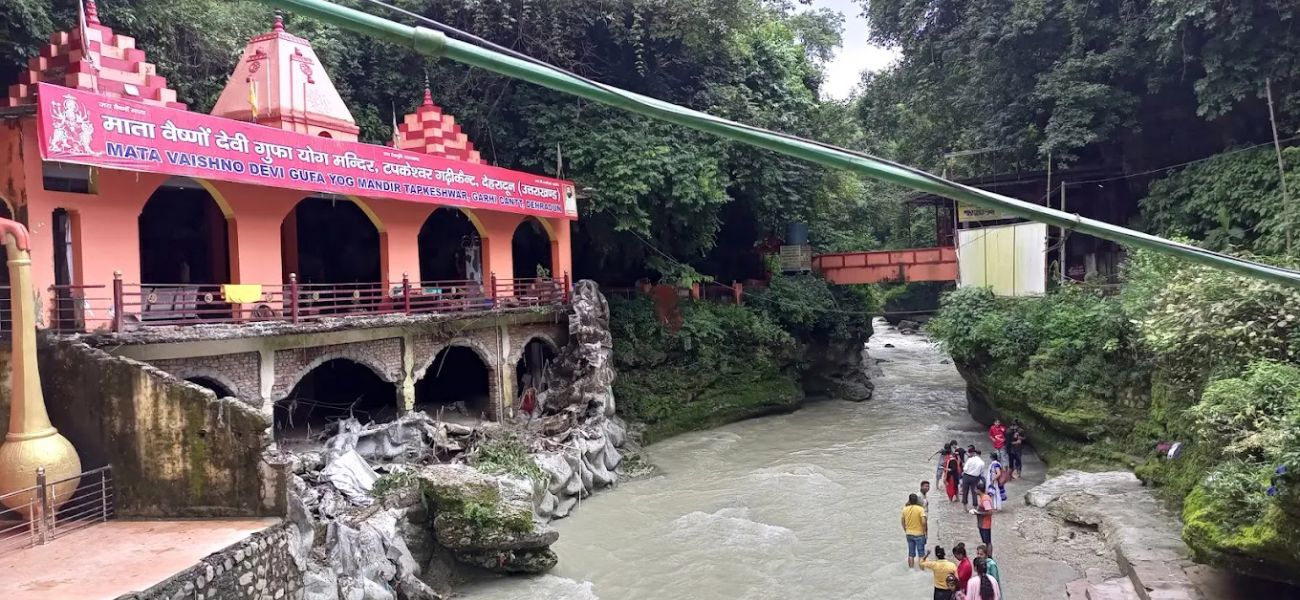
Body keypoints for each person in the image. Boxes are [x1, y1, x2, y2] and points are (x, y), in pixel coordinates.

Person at [902, 493, 928, 568]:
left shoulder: (905, 509)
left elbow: (902, 522)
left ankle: (911, 569)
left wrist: (906, 530)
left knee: (911, 554)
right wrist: (924, 531)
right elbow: (923, 521)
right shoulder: (920, 509)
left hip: (909, 534)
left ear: (909, 501)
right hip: (919, 534)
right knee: (921, 554)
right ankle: (922, 570)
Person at [972, 481, 995, 557]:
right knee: (986, 541)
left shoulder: (985, 500)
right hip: (982, 523)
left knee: (988, 542)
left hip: (985, 524)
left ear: (979, 490)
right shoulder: (983, 498)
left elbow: (990, 512)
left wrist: (978, 513)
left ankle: (990, 557)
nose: (975, 491)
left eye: (976, 489)